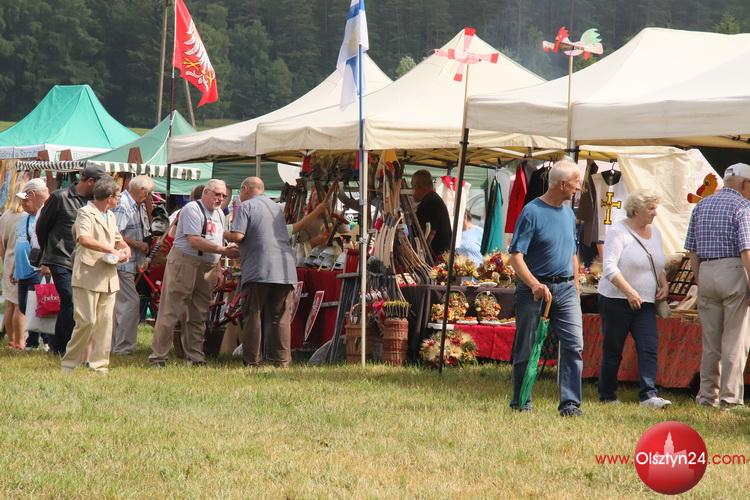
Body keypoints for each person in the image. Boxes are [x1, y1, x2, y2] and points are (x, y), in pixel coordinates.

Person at [508, 159, 584, 417]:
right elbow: (515, 257)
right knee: (527, 347)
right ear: (562, 184)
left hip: (566, 289)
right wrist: (534, 285)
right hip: (535, 290)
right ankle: (521, 403)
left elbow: (573, 253)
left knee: (574, 345)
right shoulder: (532, 212)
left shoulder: (569, 213)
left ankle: (570, 405)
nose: (578, 187)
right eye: (575, 182)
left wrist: (575, 285)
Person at [149, 180, 238, 367]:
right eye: (217, 194)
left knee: (199, 312)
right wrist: (223, 251)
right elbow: (194, 240)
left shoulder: (219, 214)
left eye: (224, 196)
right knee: (171, 310)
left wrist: (218, 267)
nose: (221, 199)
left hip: (207, 265)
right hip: (185, 262)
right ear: (205, 192)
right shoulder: (192, 209)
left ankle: (196, 356)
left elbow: (217, 238)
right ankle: (158, 356)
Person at [685, 163, 750, 411]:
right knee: (735, 339)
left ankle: (707, 396)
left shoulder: (702, 205)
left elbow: (691, 250)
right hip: (733, 270)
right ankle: (730, 398)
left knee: (711, 342)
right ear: (745, 183)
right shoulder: (743, 206)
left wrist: (700, 279)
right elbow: (746, 251)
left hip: (706, 271)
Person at [598, 189, 671, 409]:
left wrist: (664, 284)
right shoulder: (618, 232)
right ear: (637, 209)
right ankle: (607, 395)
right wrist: (629, 292)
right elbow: (609, 267)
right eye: (651, 208)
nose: (655, 213)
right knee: (613, 349)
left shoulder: (655, 233)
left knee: (649, 347)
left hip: (646, 302)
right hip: (615, 300)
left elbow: (657, 263)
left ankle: (649, 395)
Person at [61, 177, 130, 373]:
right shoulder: (85, 212)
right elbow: (84, 239)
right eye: (118, 196)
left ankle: (99, 366)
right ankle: (69, 363)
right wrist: (111, 250)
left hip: (108, 277)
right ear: (109, 197)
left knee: (105, 324)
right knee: (86, 321)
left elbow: (117, 240)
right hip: (87, 274)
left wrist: (125, 249)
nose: (119, 199)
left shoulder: (111, 215)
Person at [226, 177, 296, 367]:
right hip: (284, 269)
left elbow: (238, 235)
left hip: (259, 267)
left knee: (253, 314)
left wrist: (222, 234)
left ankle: (252, 361)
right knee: (280, 317)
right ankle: (282, 360)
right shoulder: (276, 208)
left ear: (245, 189)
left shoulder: (246, 206)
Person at [36, 163, 106, 355]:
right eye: (100, 183)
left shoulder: (94, 203)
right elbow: (42, 227)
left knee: (72, 304)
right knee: (71, 300)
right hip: (60, 259)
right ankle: (63, 348)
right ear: (90, 181)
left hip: (83, 261)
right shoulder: (60, 197)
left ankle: (59, 345)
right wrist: (47, 255)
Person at [111, 175, 154, 355]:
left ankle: (115, 345)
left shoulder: (136, 205)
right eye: (149, 193)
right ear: (141, 191)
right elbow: (114, 234)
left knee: (120, 305)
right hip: (122, 263)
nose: (150, 196)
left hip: (128, 263)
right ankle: (124, 347)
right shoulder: (124, 205)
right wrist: (137, 244)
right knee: (130, 302)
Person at [14, 178, 51, 350]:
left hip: (36, 270)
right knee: (24, 306)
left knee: (38, 306)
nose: (23, 204)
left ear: (34, 195)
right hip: (22, 271)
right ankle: (35, 340)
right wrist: (14, 269)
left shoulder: (44, 217)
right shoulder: (24, 218)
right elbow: (19, 243)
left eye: (26, 200)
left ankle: (41, 341)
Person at [0, 182, 24, 349]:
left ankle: (11, 339)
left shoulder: (5, 215)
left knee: (10, 304)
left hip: (8, 259)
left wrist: (4, 259)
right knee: (19, 305)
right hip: (20, 261)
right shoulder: (25, 216)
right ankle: (19, 341)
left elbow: (1, 243)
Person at [411, 170, 451, 258]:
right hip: (438, 256)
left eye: (412, 186)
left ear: (418, 186)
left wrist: (418, 255)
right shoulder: (433, 199)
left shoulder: (430, 202)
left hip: (434, 258)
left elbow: (429, 233)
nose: (412, 191)